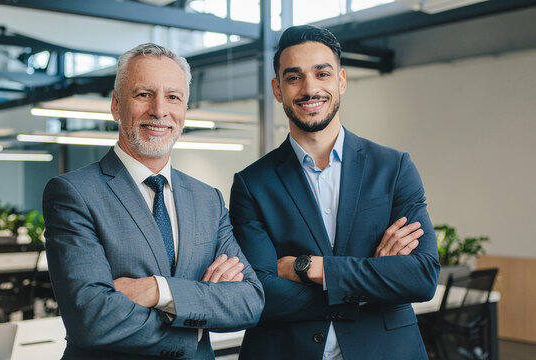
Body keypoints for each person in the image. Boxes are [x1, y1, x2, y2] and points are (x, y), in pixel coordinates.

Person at [229, 25, 440, 360]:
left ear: (340, 81)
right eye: (294, 77)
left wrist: (312, 269)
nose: (310, 88)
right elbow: (261, 292)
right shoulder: (252, 183)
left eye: (321, 73)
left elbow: (422, 277)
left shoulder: (394, 167)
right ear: (278, 89)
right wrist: (372, 278)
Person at [43, 43, 264, 360]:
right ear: (117, 105)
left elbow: (249, 301)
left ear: (185, 109)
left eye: (173, 97)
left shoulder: (207, 199)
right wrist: (198, 319)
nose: (160, 110)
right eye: (144, 94)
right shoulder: (73, 193)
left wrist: (158, 290)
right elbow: (91, 319)